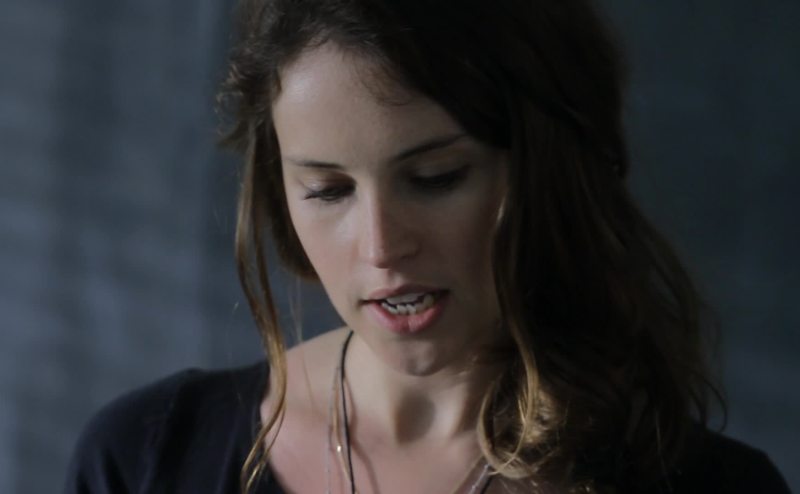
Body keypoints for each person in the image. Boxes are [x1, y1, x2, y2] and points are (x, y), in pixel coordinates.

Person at [64, 0, 791, 493]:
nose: (382, 247)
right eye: (329, 190)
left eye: (436, 178)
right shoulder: (146, 459)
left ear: (548, 170)